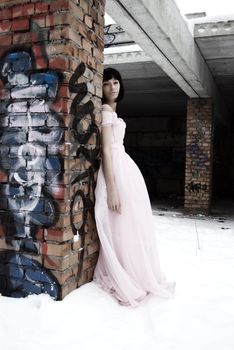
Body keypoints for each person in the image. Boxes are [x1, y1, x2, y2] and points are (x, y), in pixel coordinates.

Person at [93, 67, 175, 307]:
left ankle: (132, 272)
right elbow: (106, 150)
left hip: (125, 170)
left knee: (129, 225)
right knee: (117, 223)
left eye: (116, 82)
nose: (112, 87)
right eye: (107, 83)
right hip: (115, 173)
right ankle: (124, 275)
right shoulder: (106, 110)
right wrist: (112, 188)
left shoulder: (114, 112)